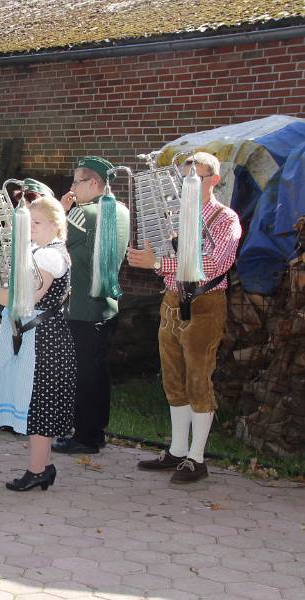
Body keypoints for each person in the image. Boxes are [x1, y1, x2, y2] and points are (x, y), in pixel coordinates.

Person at [129, 152, 241, 484]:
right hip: (172, 300)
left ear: (214, 181)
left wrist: (157, 263)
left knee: (198, 379)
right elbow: (163, 257)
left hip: (205, 303)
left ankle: (197, 458)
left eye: (196, 178)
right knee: (173, 379)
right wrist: (152, 258)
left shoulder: (225, 218)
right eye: (184, 178)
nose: (187, 184)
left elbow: (214, 264)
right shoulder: (173, 214)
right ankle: (177, 451)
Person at [0, 196, 76, 492]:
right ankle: (43, 467)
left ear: (55, 224)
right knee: (37, 403)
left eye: (37, 222)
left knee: (39, 404)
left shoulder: (49, 256)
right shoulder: (40, 251)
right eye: (28, 222)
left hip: (44, 337)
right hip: (40, 334)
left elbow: (27, 298)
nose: (30, 227)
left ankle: (37, 470)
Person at [52, 158, 130, 455]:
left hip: (81, 305)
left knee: (82, 375)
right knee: (98, 373)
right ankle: (95, 431)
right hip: (106, 303)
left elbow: (51, 243)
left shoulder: (82, 213)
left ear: (94, 183)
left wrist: (61, 211)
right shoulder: (120, 210)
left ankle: (84, 436)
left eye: (76, 182)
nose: (72, 188)